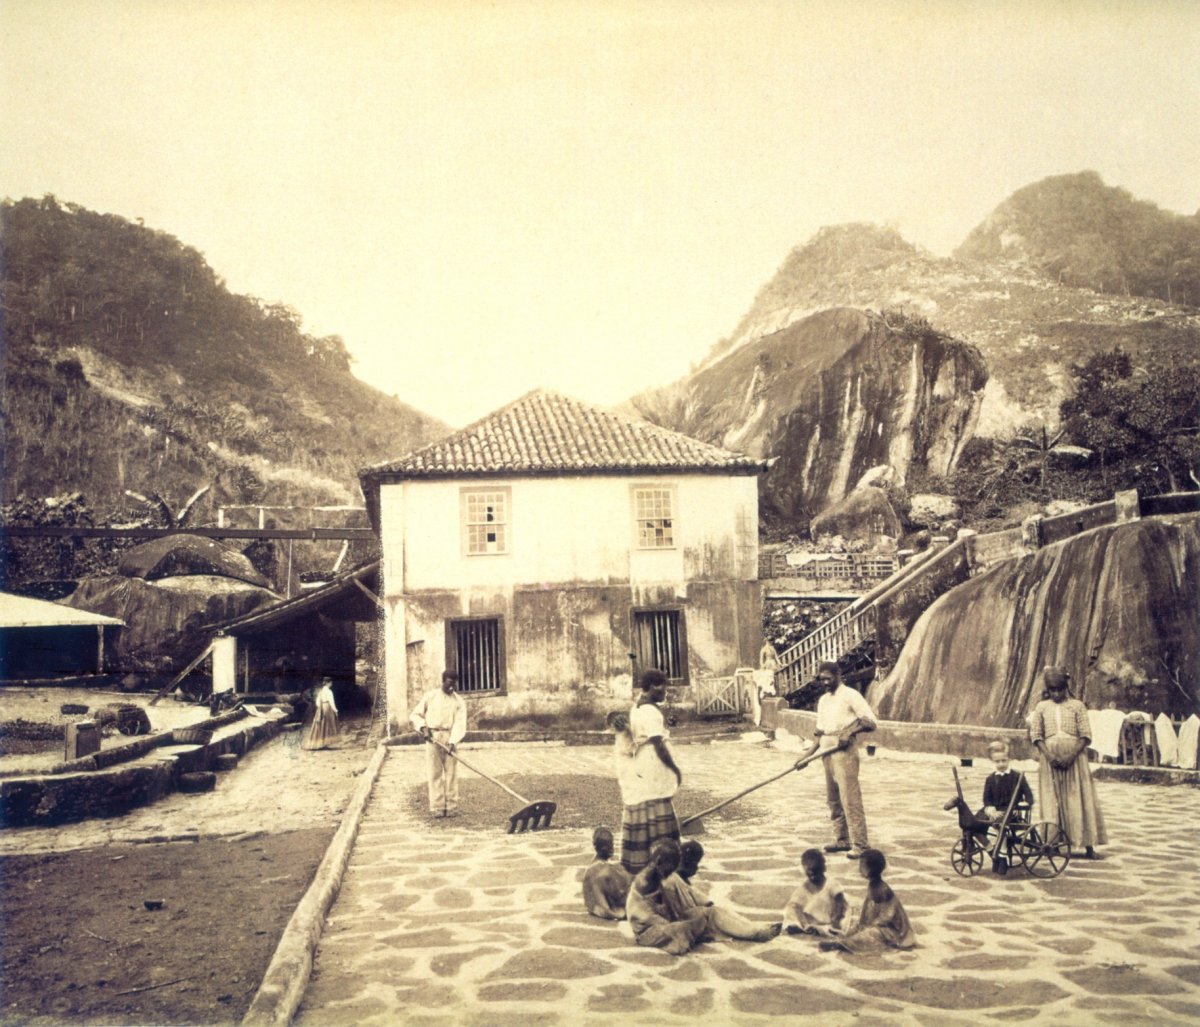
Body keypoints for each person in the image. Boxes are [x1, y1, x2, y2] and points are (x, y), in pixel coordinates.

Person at [1028, 666, 1107, 859]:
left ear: (1066, 687)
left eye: (1060, 690)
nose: (1056, 694)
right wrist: (1050, 756)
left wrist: (1070, 756)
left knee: (1079, 798)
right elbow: (1036, 735)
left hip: (1075, 758)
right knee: (1052, 800)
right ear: (1048, 689)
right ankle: (1052, 843)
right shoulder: (1041, 707)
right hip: (1050, 760)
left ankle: (1087, 845)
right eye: (1052, 690)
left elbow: (1086, 735)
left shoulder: (1077, 706)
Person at [620, 669, 683, 875]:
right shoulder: (651, 712)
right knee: (658, 803)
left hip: (642, 763)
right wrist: (673, 768)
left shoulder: (636, 708)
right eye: (661, 685)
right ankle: (666, 861)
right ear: (650, 687)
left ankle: (640, 859)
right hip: (653, 762)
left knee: (644, 805)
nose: (665, 689)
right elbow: (658, 744)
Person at [813, 662, 877, 859]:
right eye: (821, 679)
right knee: (833, 799)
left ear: (838, 675)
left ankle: (860, 844)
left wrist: (849, 732)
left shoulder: (850, 695)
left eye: (828, 678)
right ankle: (842, 839)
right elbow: (819, 732)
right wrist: (805, 757)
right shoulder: (823, 700)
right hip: (826, 750)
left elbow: (870, 721)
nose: (825, 682)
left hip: (844, 752)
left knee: (850, 798)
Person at [661, 841, 781, 942]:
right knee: (715, 914)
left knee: (718, 911)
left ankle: (757, 928)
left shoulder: (674, 875)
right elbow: (681, 907)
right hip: (678, 921)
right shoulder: (672, 878)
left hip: (680, 916)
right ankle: (756, 933)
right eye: (695, 863)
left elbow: (694, 896)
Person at [626, 839, 718, 955]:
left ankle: (690, 934)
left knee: (700, 915)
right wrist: (673, 921)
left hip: (664, 921)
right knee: (681, 928)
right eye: (669, 869)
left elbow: (667, 905)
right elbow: (647, 916)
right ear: (659, 862)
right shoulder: (645, 882)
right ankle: (690, 936)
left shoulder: (659, 876)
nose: (670, 873)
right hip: (647, 930)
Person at [820, 848, 916, 953]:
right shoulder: (874, 884)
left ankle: (840, 944)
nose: (859, 869)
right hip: (879, 924)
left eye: (861, 865)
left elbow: (886, 916)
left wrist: (870, 924)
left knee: (870, 933)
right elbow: (870, 910)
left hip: (893, 931)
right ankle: (845, 939)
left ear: (870, 869)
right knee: (856, 926)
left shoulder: (880, 888)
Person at [410, 669, 468, 817]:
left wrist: (453, 741)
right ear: (443, 681)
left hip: (450, 737)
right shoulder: (431, 696)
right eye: (449, 683)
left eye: (454, 684)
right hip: (433, 737)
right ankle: (437, 807)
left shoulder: (458, 701)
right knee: (435, 773)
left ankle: (451, 806)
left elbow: (460, 723)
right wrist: (423, 728)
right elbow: (415, 715)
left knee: (451, 773)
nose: (451, 687)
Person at [783, 848, 848, 937]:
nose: (813, 877)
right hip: (813, 921)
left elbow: (840, 906)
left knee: (833, 929)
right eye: (809, 874)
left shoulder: (832, 885)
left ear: (823, 869)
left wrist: (836, 921)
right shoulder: (804, 887)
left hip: (831, 920)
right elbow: (794, 905)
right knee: (792, 909)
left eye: (816, 873)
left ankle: (818, 930)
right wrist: (801, 921)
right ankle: (805, 928)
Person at [582, 827, 632, 921]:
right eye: (610, 846)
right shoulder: (605, 870)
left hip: (593, 906)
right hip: (606, 905)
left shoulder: (591, 868)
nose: (612, 849)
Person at [977, 739, 1033, 823]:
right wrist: (990, 808)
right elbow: (987, 799)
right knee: (975, 821)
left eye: (1004, 760)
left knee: (999, 821)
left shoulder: (1017, 776)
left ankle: (1000, 834)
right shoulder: (990, 779)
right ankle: (980, 834)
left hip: (1012, 810)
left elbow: (1029, 796)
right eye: (997, 761)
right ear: (993, 761)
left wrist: (1022, 806)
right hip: (995, 810)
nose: (1001, 764)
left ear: (1009, 760)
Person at [301, 678, 339, 751]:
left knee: (321, 725)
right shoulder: (329, 692)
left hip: (321, 708)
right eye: (331, 683)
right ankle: (324, 742)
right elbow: (332, 702)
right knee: (327, 725)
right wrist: (335, 710)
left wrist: (320, 707)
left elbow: (317, 702)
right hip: (327, 708)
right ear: (328, 683)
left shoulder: (321, 691)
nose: (331, 684)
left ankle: (321, 743)